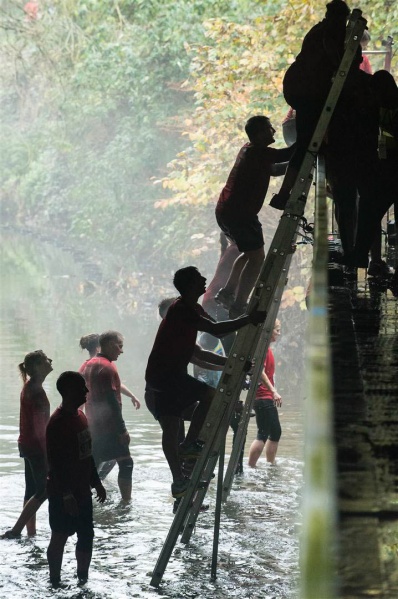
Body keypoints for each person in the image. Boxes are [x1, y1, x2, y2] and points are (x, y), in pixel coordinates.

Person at [145, 266, 267, 498]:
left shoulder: (192, 309)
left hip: (171, 375)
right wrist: (248, 319)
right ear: (190, 285)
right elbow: (216, 330)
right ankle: (183, 465)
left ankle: (184, 465)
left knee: (180, 420)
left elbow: (200, 351)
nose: (205, 280)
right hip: (164, 377)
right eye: (200, 278)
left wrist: (230, 362)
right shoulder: (181, 310)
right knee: (184, 416)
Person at [272, 0, 355, 210]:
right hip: (307, 92)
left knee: (307, 145)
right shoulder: (329, 32)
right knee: (308, 145)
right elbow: (335, 58)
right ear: (340, 17)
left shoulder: (318, 30)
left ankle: (285, 193)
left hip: (299, 89)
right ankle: (288, 192)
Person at [215, 115, 295, 317]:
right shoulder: (258, 152)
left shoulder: (249, 150)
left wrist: (292, 165)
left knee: (250, 253)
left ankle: (228, 293)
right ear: (260, 133)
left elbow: (274, 169)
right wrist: (309, 139)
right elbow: (290, 153)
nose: (274, 132)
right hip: (239, 213)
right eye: (270, 128)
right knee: (257, 257)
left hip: (229, 211)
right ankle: (240, 304)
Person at [46, 371, 106, 587]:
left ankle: (83, 578)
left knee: (86, 534)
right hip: (64, 494)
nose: (86, 391)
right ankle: (55, 581)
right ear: (69, 391)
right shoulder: (57, 423)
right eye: (82, 388)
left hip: (82, 491)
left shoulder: (81, 417)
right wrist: (66, 494)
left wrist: (96, 482)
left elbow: (87, 454)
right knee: (60, 536)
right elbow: (55, 463)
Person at [3, 350, 52, 539]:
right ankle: (16, 531)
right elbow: (41, 429)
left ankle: (30, 532)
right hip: (36, 447)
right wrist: (48, 454)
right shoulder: (36, 391)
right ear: (39, 366)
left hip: (26, 444)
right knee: (44, 490)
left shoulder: (30, 386)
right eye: (47, 359)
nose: (50, 361)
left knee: (31, 489)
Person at [80, 331, 134, 501]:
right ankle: (126, 503)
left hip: (94, 425)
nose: (121, 351)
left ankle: (80, 496)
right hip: (110, 427)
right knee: (126, 463)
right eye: (119, 346)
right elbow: (112, 403)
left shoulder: (89, 364)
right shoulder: (107, 367)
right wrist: (122, 430)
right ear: (109, 344)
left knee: (95, 464)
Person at [248, 320, 282, 467]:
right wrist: (273, 391)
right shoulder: (261, 349)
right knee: (263, 433)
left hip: (264, 397)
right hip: (263, 397)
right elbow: (259, 371)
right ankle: (251, 466)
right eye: (277, 330)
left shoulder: (267, 349)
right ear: (269, 331)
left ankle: (270, 464)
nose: (279, 333)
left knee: (275, 432)